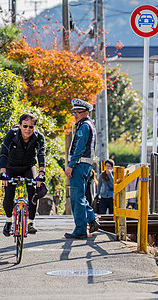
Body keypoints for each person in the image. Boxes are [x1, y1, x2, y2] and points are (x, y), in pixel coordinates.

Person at [0, 113, 46, 236]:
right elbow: (3, 153)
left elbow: (41, 154)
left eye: (31, 127)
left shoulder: (39, 137)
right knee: (9, 194)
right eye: (25, 126)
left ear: (34, 127)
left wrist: (41, 173)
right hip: (11, 167)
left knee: (33, 192)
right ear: (20, 125)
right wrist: (3, 173)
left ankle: (31, 222)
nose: (27, 129)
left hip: (28, 166)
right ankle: (9, 221)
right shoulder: (12, 134)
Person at [64, 98, 100, 239]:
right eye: (74, 112)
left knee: (76, 198)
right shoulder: (88, 125)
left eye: (78, 112)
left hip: (79, 165)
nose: (75, 115)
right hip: (85, 165)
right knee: (81, 196)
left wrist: (71, 166)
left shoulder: (84, 126)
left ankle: (80, 229)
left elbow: (79, 148)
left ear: (85, 112)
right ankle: (92, 219)